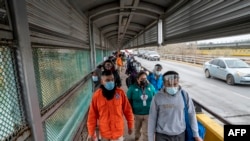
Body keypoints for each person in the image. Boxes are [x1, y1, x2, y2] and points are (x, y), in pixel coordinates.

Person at [148, 70, 203, 141]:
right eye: (169, 84)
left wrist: (196, 135)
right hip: (162, 135)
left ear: (178, 83)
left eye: (175, 84)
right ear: (164, 83)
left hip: (180, 135)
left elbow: (192, 114)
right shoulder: (157, 97)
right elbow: (152, 118)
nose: (172, 87)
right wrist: (150, 138)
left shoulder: (184, 95)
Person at [87, 70, 134, 141]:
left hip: (118, 132)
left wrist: (130, 125)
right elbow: (92, 115)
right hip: (104, 133)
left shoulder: (120, 93)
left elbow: (128, 110)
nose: (111, 82)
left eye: (112, 80)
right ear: (102, 82)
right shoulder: (97, 96)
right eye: (107, 80)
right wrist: (91, 133)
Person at [127, 71, 156, 141]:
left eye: (145, 79)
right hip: (136, 114)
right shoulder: (132, 88)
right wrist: (131, 113)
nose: (144, 80)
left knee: (146, 132)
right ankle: (137, 137)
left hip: (148, 114)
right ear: (137, 79)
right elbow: (128, 102)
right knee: (137, 129)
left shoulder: (151, 87)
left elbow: (155, 98)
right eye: (142, 79)